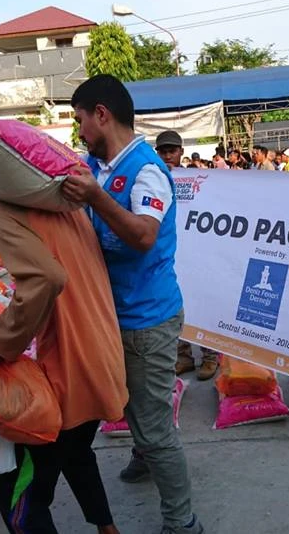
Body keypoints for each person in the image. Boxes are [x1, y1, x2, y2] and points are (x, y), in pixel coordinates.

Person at [0, 160, 127, 534]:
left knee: (15, 488)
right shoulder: (55, 203)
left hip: (69, 369)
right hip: (103, 352)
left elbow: (45, 279)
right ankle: (109, 529)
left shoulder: (1, 213)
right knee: (76, 452)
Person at [61, 74, 204, 534]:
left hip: (146, 319)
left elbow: (143, 236)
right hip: (110, 314)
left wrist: (97, 198)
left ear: (101, 114)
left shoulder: (145, 170)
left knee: (156, 426)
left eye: (80, 119)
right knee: (127, 401)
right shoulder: (95, 165)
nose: (79, 131)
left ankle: (182, 522)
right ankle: (142, 452)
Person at [156, 130, 220, 382]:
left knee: (203, 302)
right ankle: (183, 356)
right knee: (176, 305)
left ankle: (210, 356)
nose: (168, 155)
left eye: (172, 150)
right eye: (163, 151)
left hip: (199, 251)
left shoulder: (198, 178)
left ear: (181, 151)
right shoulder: (153, 178)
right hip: (169, 252)